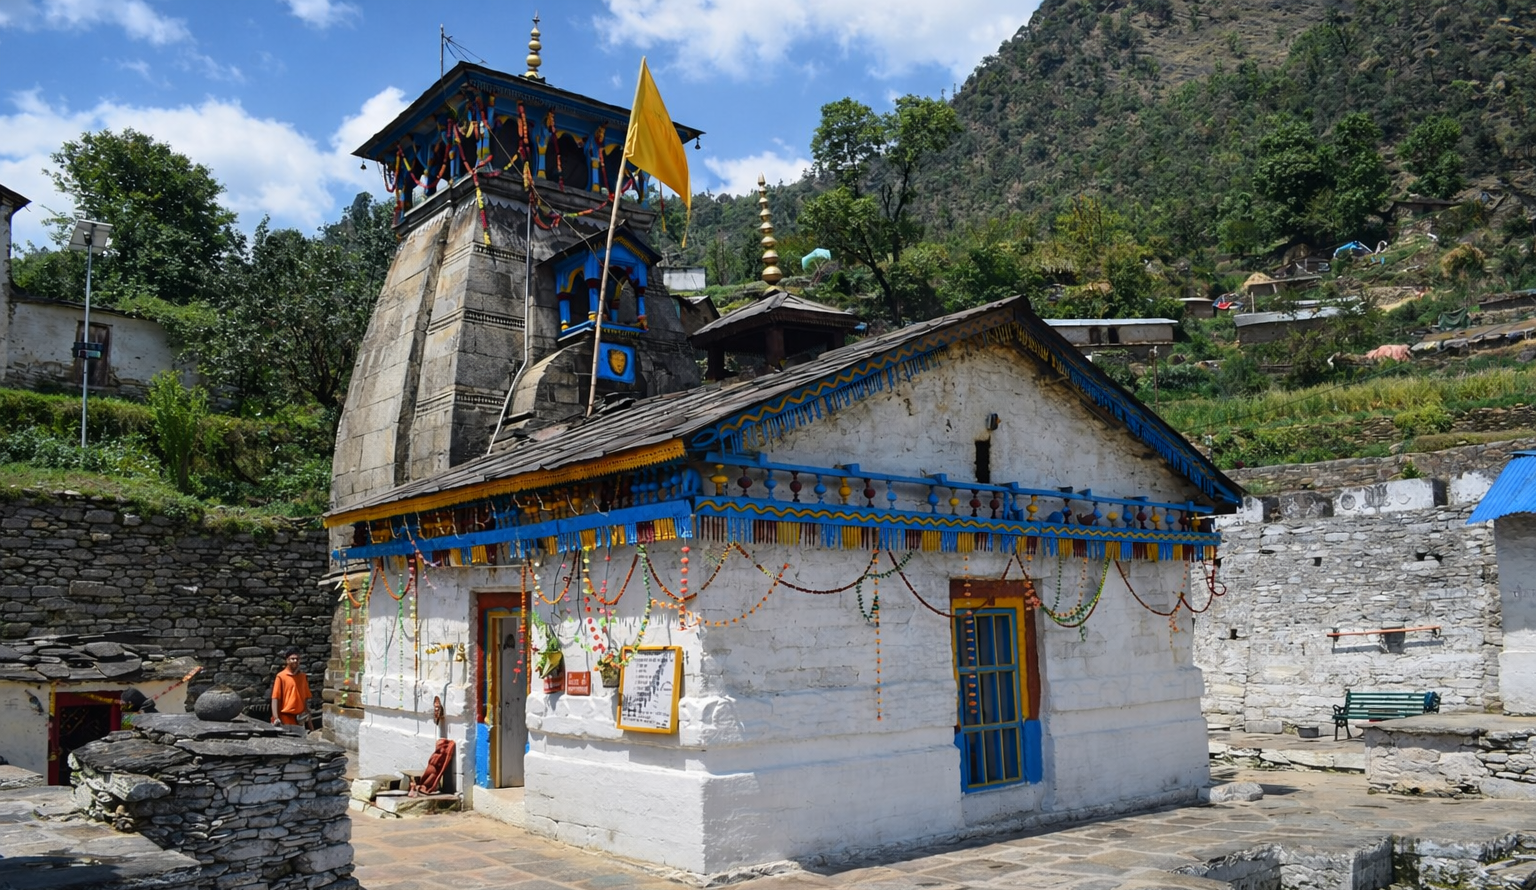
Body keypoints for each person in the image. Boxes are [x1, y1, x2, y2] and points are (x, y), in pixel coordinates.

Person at [270, 649, 313, 732]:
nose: (295, 661)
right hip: (285, 717)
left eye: (297, 659)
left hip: (300, 718)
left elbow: (305, 698)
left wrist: (308, 717)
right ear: (287, 660)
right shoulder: (281, 676)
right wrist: (275, 717)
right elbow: (275, 698)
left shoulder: (303, 677)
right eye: (292, 659)